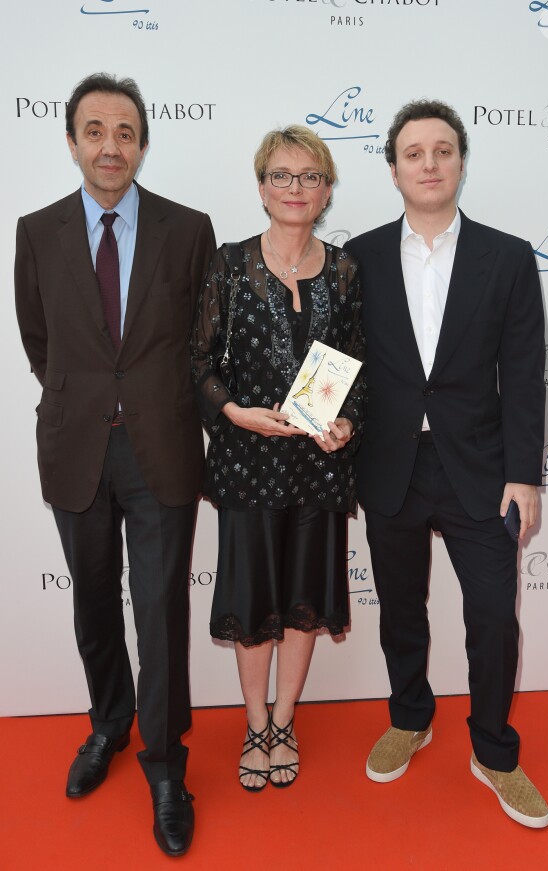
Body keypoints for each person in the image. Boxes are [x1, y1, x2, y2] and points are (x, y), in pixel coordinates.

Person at [15, 73, 215, 856]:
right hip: (76, 447)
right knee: (93, 601)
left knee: (161, 614)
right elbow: (41, 342)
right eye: (94, 130)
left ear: (141, 143)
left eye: (125, 131)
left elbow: (199, 343)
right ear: (72, 141)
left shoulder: (187, 228)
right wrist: (89, 399)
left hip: (161, 447)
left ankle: (166, 766)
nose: (110, 145)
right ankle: (109, 723)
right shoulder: (36, 230)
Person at [344, 99, 548, 828]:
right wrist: (321, 426)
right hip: (390, 464)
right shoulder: (358, 257)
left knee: (494, 616)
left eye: (442, 150)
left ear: (461, 161)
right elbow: (340, 360)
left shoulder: (509, 255)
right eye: (413, 153)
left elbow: (524, 373)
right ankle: (410, 715)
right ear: (394, 167)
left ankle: (494, 750)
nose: (428, 164)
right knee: (401, 610)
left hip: (483, 470)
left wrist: (525, 473)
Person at [192, 125, 364, 791]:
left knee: (301, 603)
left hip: (318, 468)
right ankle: (255, 720)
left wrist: (345, 421)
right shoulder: (230, 263)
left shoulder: (347, 271)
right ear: (262, 186)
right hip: (247, 464)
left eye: (309, 176)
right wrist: (234, 412)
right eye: (282, 175)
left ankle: (285, 721)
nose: (296, 188)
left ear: (326, 189)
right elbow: (198, 362)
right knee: (253, 601)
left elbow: (358, 368)